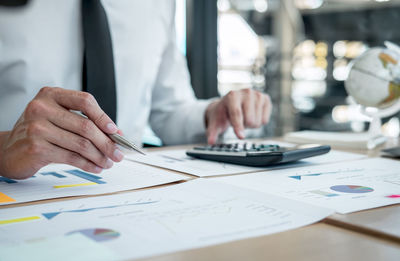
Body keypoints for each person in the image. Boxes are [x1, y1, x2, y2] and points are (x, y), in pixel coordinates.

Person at [0, 0, 272, 180]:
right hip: (16, 195)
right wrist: (4, 150)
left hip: (126, 193)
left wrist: (214, 113)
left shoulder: (156, 4)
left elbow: (171, 111)